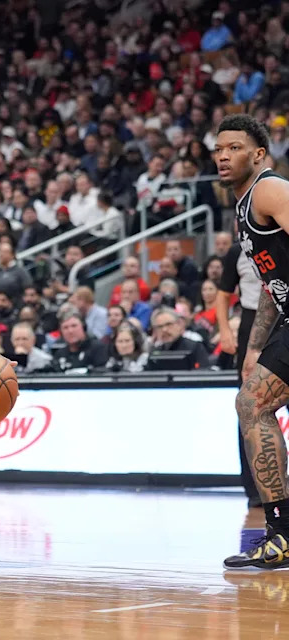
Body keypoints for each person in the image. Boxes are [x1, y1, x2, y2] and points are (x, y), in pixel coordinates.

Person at [212, 115, 289, 569]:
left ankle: (282, 533)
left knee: (253, 405)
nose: (223, 155)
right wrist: (256, 347)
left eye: (234, 147)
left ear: (258, 154)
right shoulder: (244, 206)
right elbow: (270, 285)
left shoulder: (268, 189)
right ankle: (280, 534)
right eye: (219, 148)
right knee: (252, 404)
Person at [217, 219, 265, 507]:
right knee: (247, 407)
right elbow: (223, 295)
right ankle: (253, 489)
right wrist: (225, 330)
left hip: (282, 321)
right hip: (249, 324)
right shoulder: (236, 251)